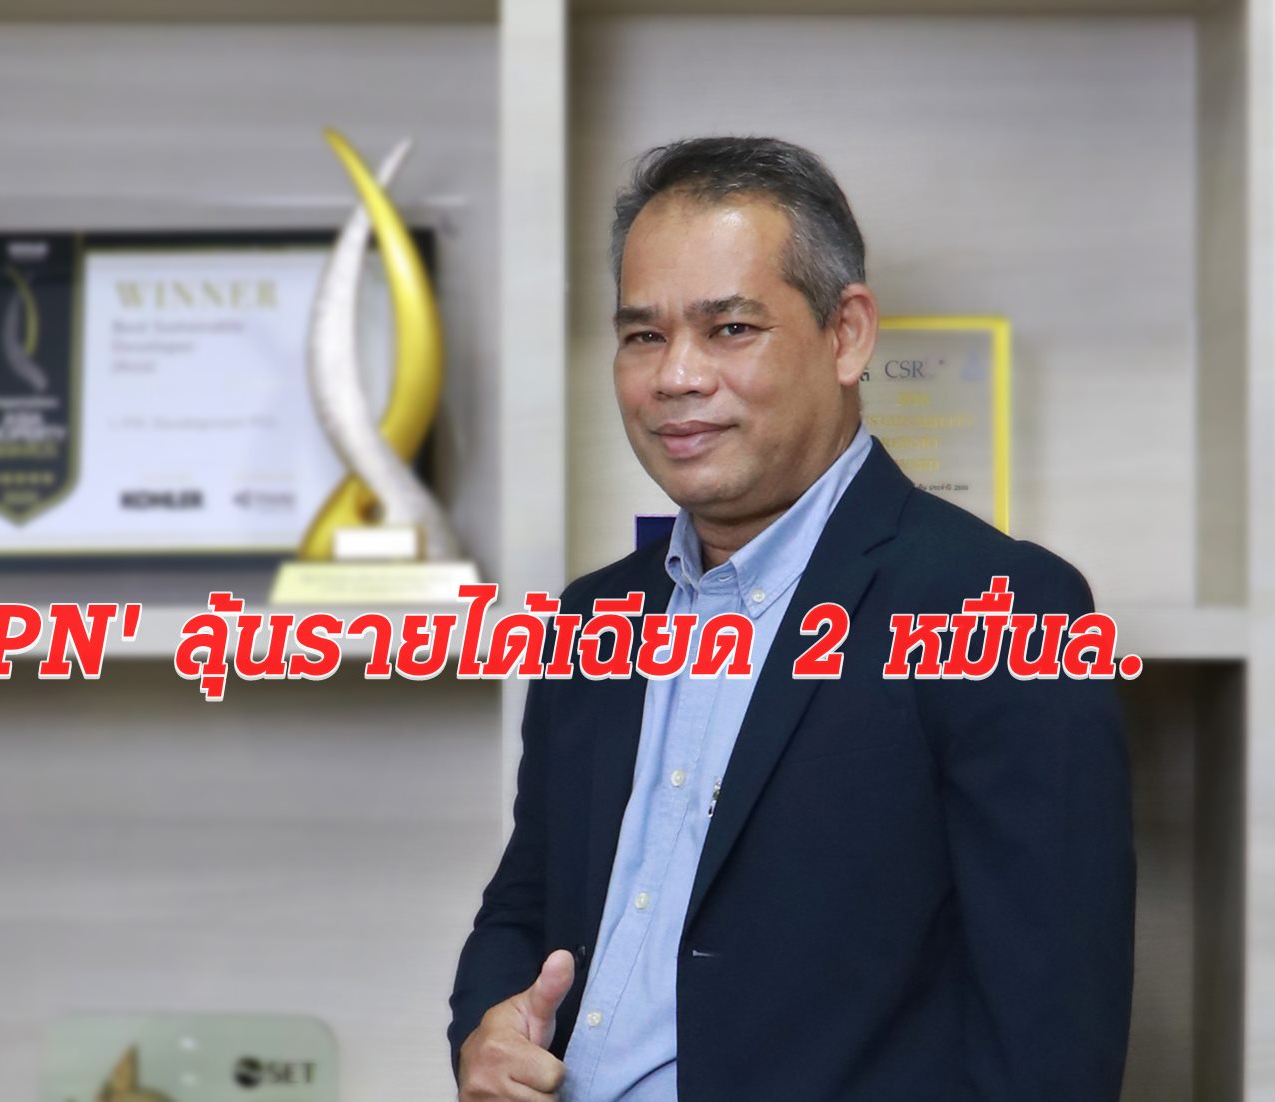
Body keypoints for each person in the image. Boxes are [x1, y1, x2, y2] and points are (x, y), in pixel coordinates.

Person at [448, 136, 1136, 1101]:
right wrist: (485, 1034)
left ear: (847, 334)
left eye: (730, 328)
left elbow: (1051, 1035)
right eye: (643, 336)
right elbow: (525, 904)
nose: (676, 377)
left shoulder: (999, 606)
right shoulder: (593, 615)